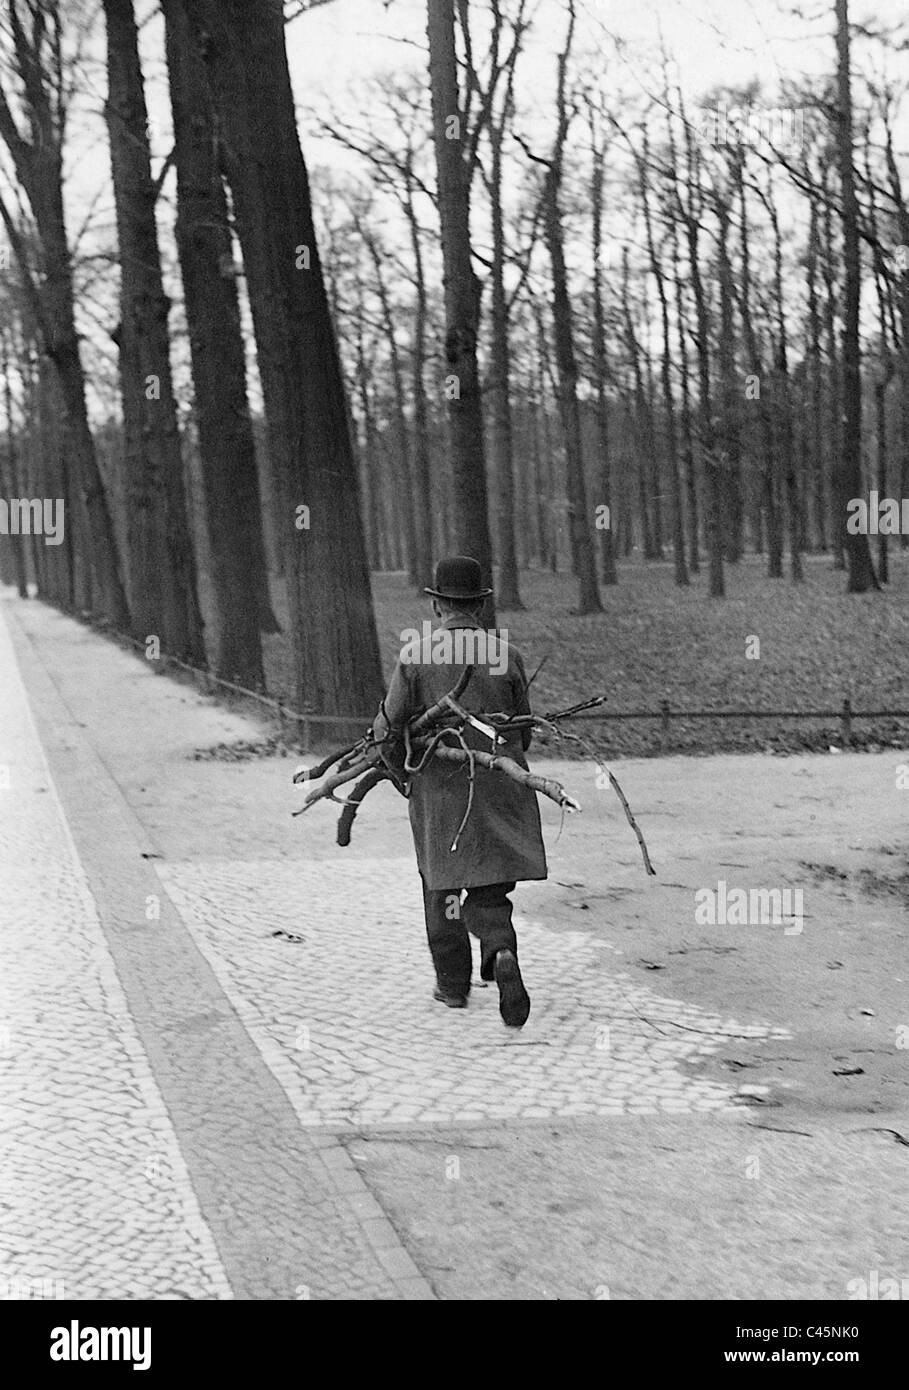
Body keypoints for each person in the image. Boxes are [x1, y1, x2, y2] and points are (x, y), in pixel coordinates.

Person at [373, 556, 547, 1028]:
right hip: (497, 782)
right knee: (490, 883)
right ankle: (500, 950)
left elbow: (389, 729)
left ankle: (453, 986)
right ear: (481, 605)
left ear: (436, 604)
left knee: (443, 884)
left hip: (440, 789)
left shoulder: (415, 655)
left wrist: (401, 773)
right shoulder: (506, 655)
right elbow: (521, 730)